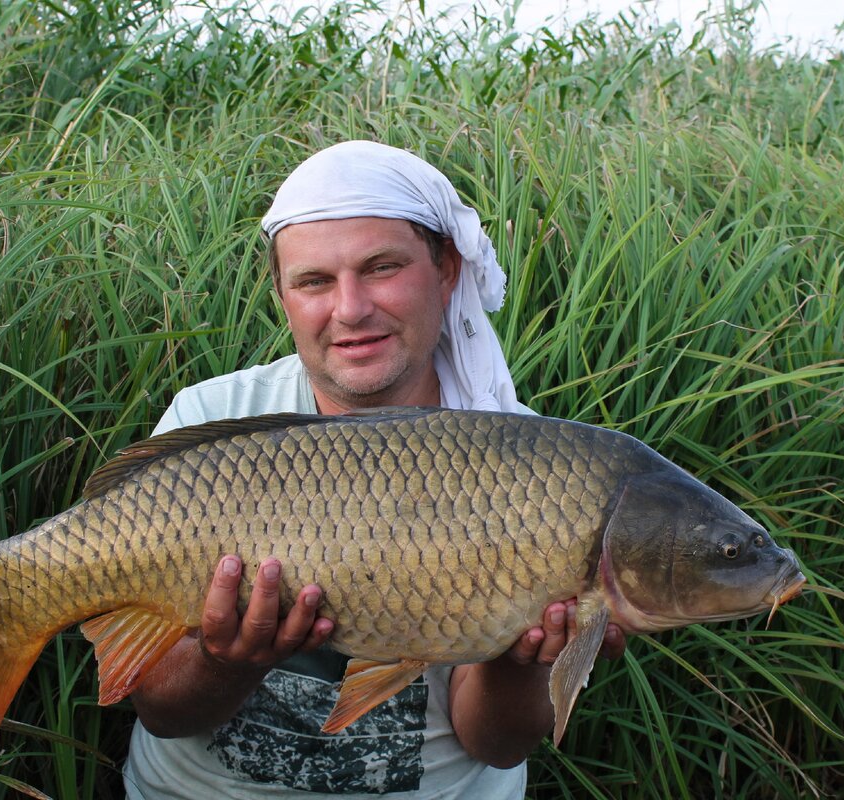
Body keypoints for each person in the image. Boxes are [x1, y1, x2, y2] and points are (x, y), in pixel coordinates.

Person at [123, 140, 624, 799]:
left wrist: (518, 662)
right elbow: (161, 711)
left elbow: (494, 745)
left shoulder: (537, 471)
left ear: (447, 269)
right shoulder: (215, 418)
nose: (351, 309)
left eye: (381, 268)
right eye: (314, 282)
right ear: (282, 294)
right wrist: (226, 660)